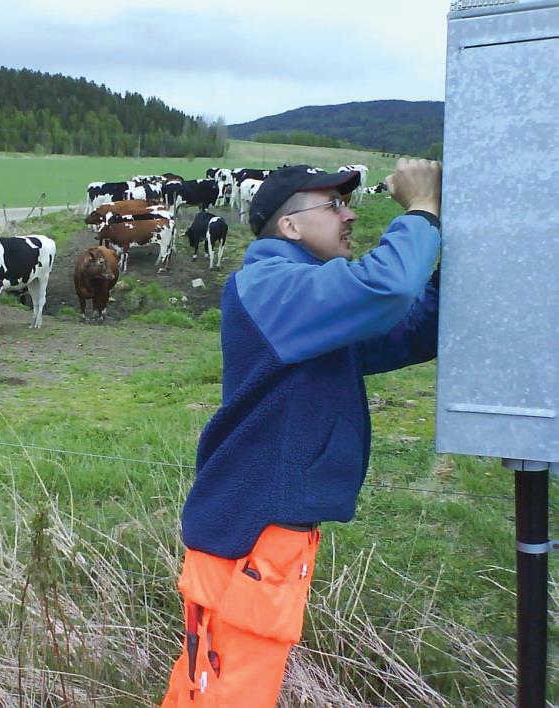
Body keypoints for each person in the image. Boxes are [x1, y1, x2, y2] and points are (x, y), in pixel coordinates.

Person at [160, 158, 442, 706]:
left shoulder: (309, 303)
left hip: (258, 528)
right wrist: (422, 211)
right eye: (333, 205)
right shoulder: (270, 285)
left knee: (211, 683)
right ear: (288, 227)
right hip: (251, 533)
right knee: (230, 691)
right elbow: (386, 285)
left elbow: (411, 331)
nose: (351, 214)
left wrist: (444, 252)